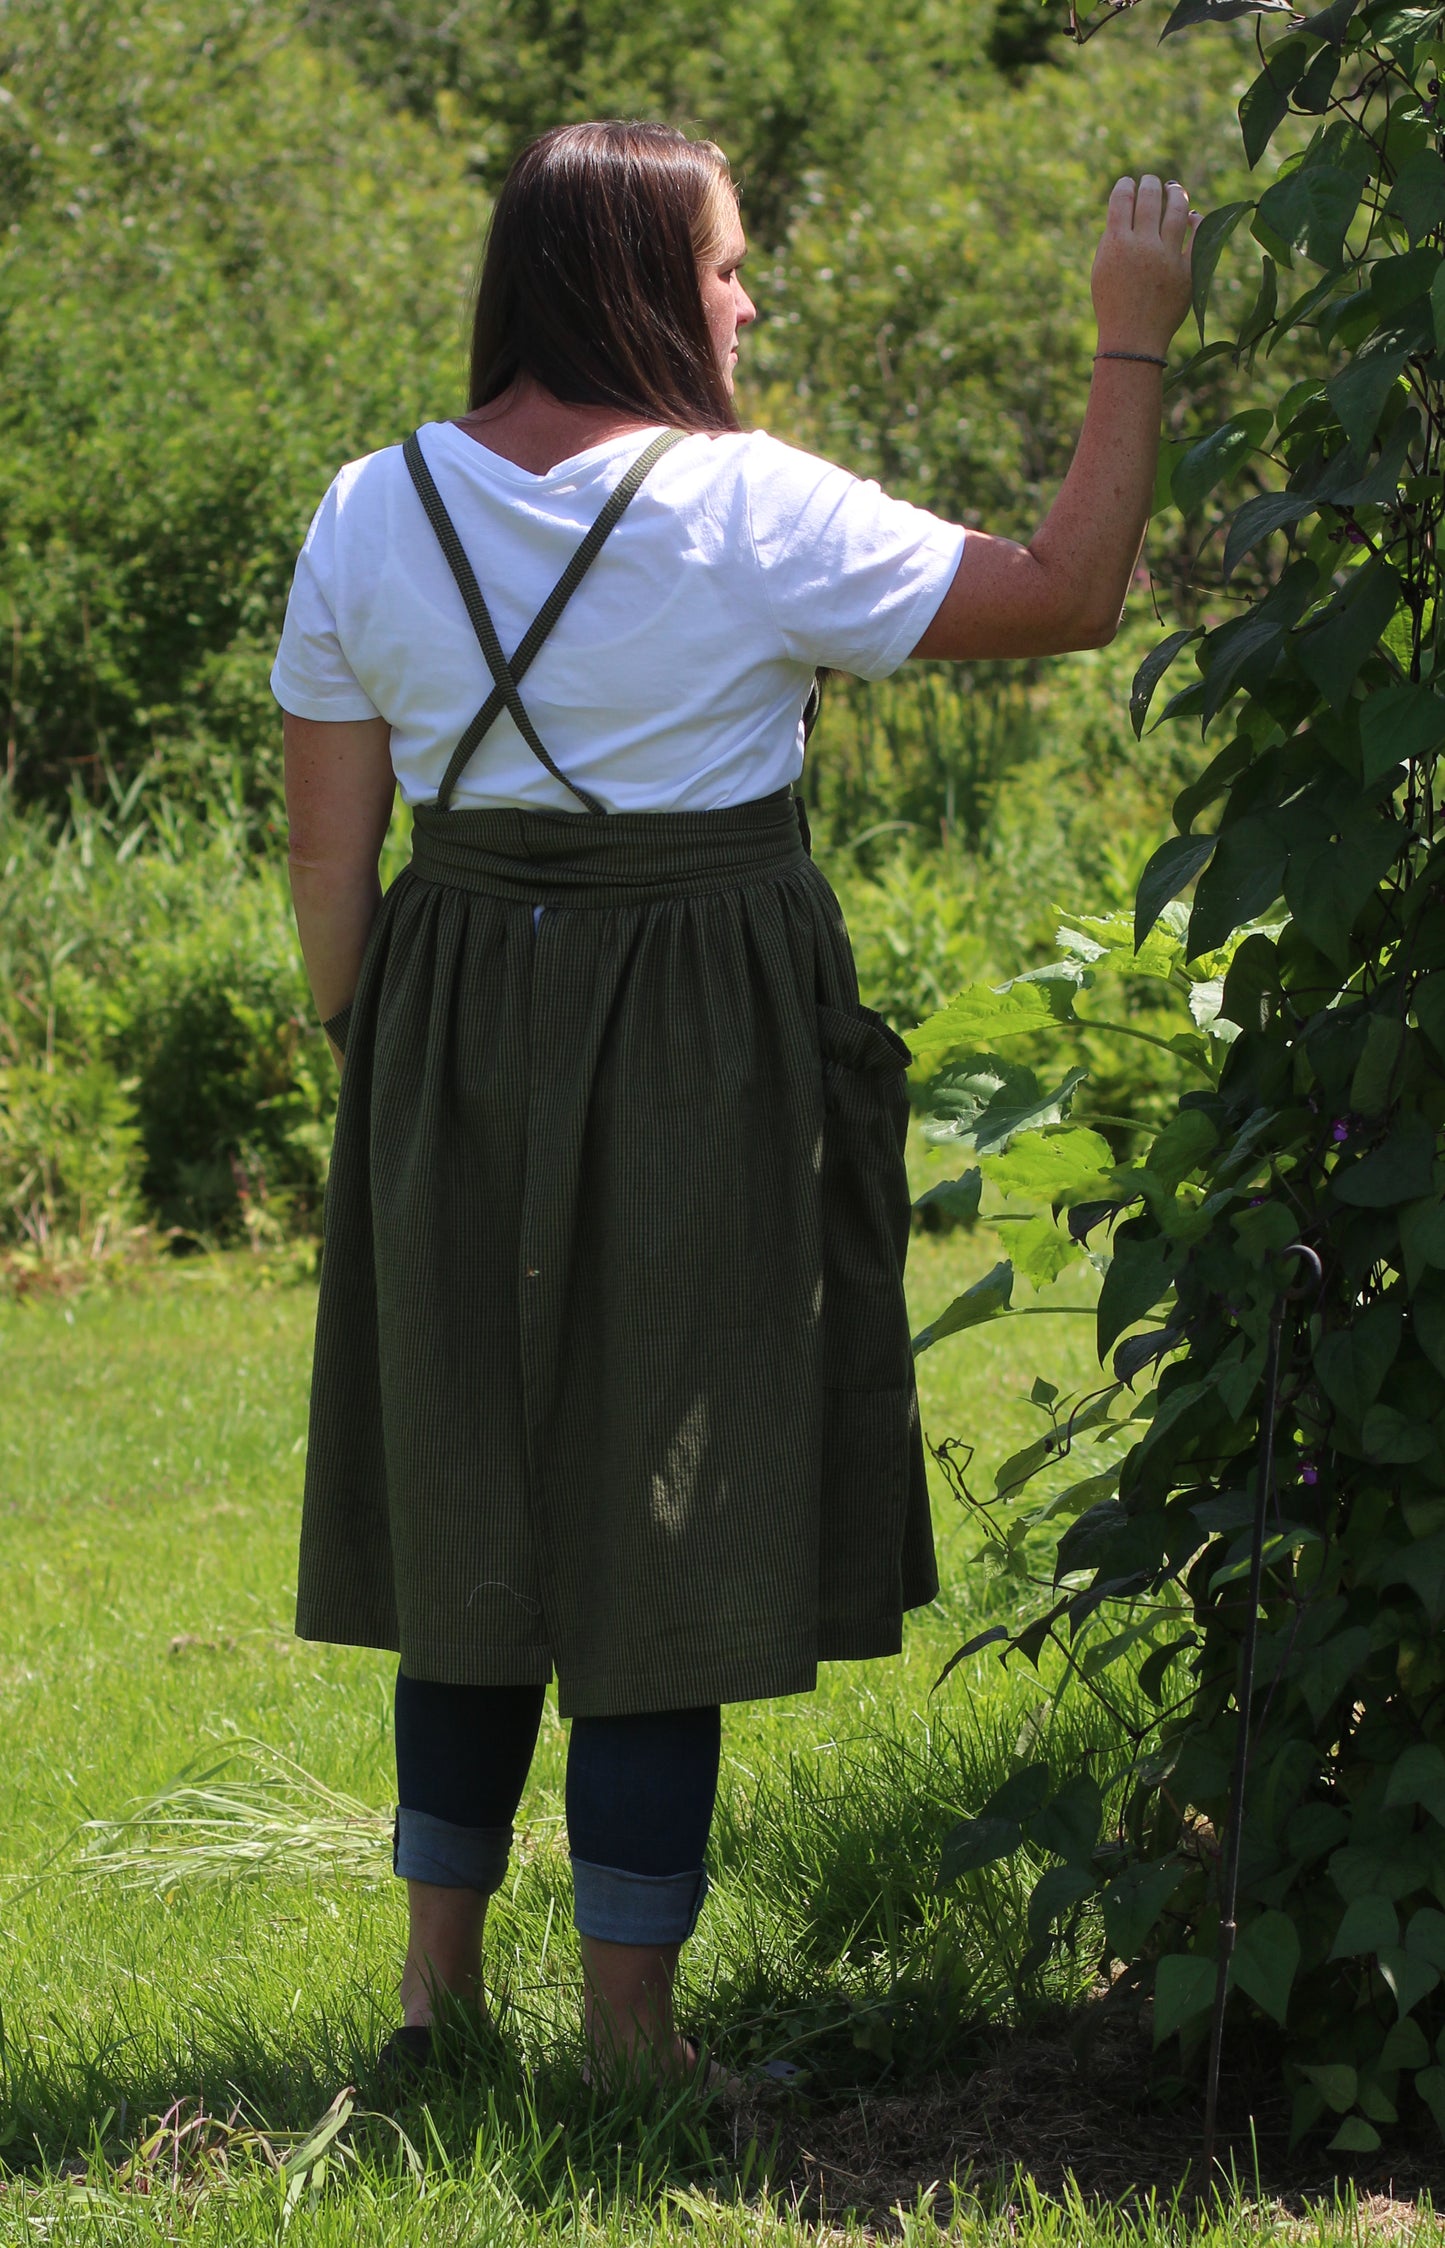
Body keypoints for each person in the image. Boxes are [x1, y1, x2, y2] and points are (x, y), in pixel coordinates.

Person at [271, 119, 1196, 2087]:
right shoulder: (744, 507)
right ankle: (630, 2032)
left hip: (443, 1024)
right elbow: (1072, 592)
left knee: (471, 1496)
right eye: (724, 265)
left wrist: (412, 1073)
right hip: (702, 1025)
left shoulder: (365, 509)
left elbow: (332, 892)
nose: (747, 297)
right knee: (661, 1509)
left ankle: (437, 1996)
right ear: (634, 282)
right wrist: (1134, 337)